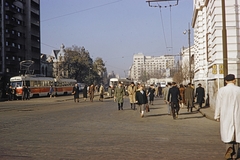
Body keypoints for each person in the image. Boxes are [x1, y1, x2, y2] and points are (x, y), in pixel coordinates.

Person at [214, 74, 240, 160]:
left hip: (226, 115)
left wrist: (217, 115)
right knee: (237, 134)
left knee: (227, 133)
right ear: (234, 80)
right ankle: (235, 154)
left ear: (225, 81)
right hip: (237, 114)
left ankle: (229, 148)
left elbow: (218, 104)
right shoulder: (239, 90)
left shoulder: (222, 90)